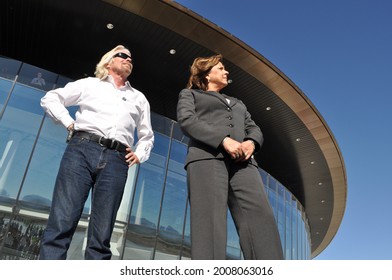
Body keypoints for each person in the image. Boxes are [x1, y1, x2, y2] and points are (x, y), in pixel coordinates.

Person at [39, 45, 154, 260]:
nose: (129, 59)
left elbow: (147, 135)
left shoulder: (139, 98)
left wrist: (139, 154)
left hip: (117, 161)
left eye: (131, 58)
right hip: (81, 150)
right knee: (62, 222)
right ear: (108, 62)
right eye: (123, 56)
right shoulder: (89, 85)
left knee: (101, 236)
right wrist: (69, 123)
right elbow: (51, 98)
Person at [176, 54, 283, 260]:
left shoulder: (238, 103)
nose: (226, 72)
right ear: (206, 74)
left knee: (262, 218)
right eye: (221, 68)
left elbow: (254, 128)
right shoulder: (190, 95)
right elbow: (187, 121)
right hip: (206, 159)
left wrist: (251, 142)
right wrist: (223, 140)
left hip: (244, 164)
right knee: (210, 223)